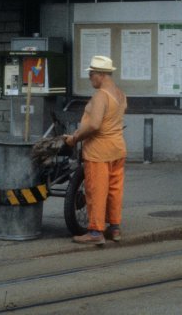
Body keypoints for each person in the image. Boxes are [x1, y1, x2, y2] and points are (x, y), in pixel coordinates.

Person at [63, 55, 127, 245]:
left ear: (100, 74)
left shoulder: (100, 96)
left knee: (96, 191)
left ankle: (95, 231)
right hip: (118, 149)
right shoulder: (120, 94)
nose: (90, 78)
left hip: (99, 152)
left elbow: (94, 125)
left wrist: (74, 138)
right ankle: (114, 229)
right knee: (114, 190)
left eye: (91, 74)